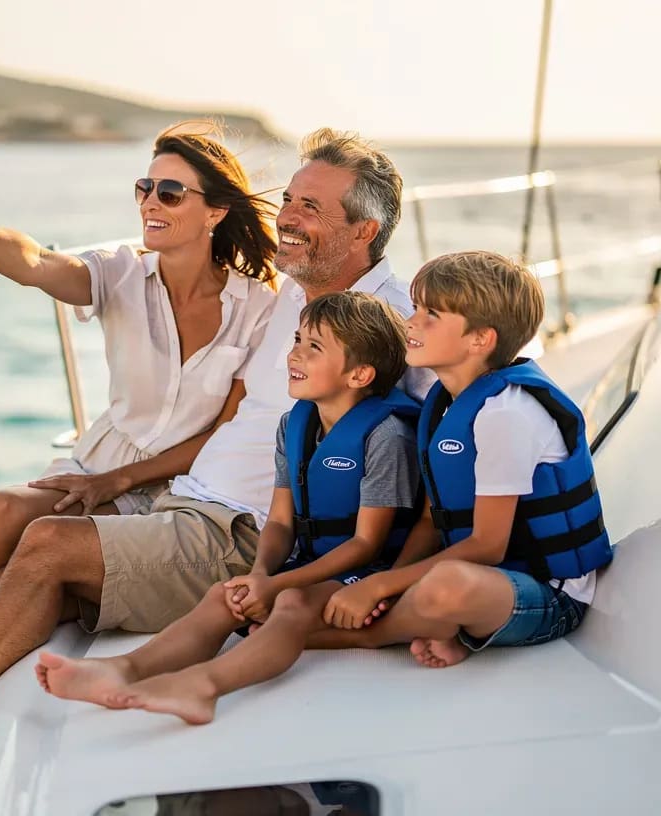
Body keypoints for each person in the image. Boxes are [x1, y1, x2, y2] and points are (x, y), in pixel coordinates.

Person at [0, 128, 426, 808]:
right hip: (188, 502)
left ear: (364, 230)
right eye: (288, 199)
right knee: (23, 557)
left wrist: (398, 589)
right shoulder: (295, 299)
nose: (287, 217)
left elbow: (430, 466)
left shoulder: (393, 326)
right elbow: (234, 416)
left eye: (310, 208)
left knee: (47, 547)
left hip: (241, 532)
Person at [0, 123, 280, 655]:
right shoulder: (120, 273)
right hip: (99, 467)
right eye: (145, 187)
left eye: (170, 193)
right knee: (0, 511)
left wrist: (121, 481)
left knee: (18, 567)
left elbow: (226, 432)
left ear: (216, 211)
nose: (149, 203)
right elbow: (35, 263)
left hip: (177, 485)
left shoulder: (256, 308)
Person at [35, 291, 439, 725]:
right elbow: (282, 520)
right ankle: (120, 670)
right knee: (223, 596)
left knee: (289, 607)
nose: (294, 354)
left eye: (314, 347)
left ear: (359, 374)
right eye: (297, 339)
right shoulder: (294, 424)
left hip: (372, 572)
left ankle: (203, 688)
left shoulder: (386, 437)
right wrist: (261, 576)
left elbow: (365, 544)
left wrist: (278, 588)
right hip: (316, 563)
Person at [287, 250, 613, 669]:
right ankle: (438, 626)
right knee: (422, 582)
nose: (411, 322)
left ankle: (374, 636)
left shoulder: (505, 414)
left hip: (549, 595)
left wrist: (380, 586)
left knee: (448, 584)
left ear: (480, 339)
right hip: (491, 579)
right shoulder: (445, 405)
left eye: (431, 315)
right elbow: (429, 521)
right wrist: (385, 589)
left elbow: (488, 547)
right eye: (417, 308)